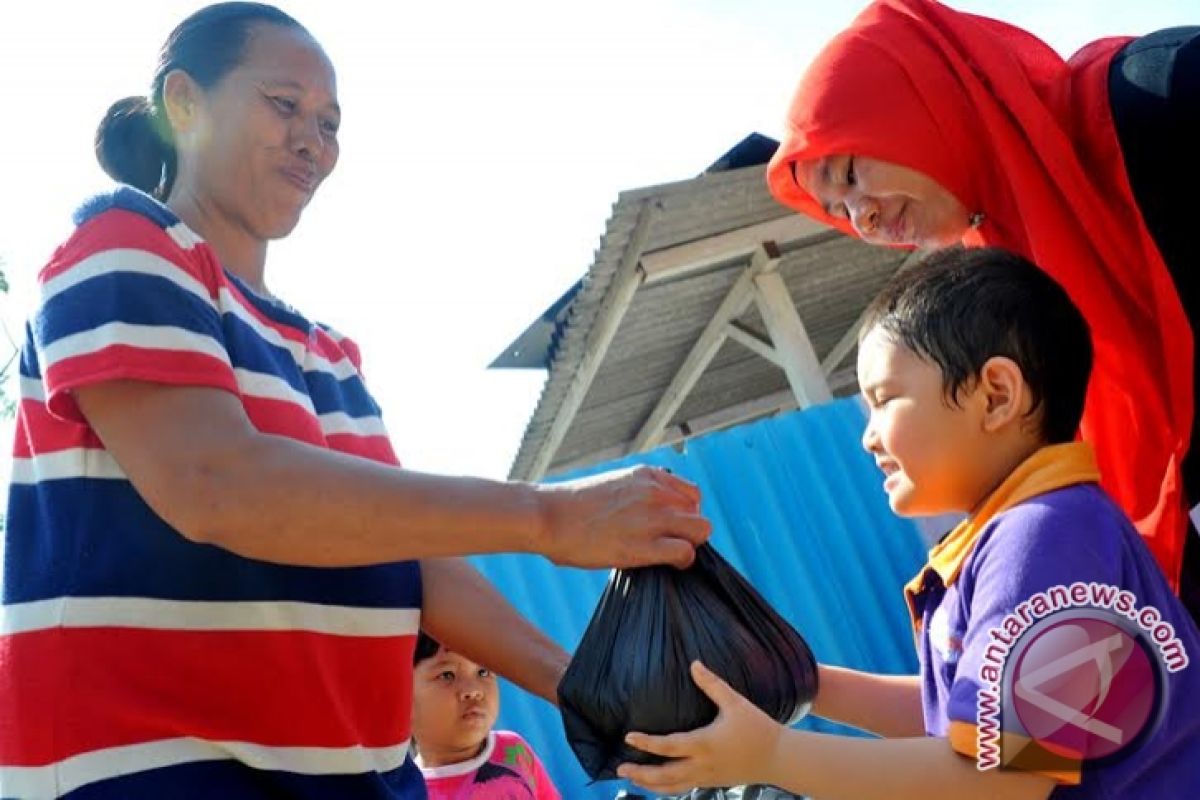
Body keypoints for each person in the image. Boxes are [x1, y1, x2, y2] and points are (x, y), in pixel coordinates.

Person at [0, 4, 711, 798]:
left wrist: (594, 700)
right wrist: (547, 517)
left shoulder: (327, 353)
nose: (313, 139)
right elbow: (216, 484)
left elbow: (408, 558)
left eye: (331, 122)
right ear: (184, 103)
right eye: (284, 104)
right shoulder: (125, 245)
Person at [616, 247, 1200, 799]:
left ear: (996, 395)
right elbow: (952, 723)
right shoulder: (1022, 537)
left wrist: (774, 755)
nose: (868, 437)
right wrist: (801, 681)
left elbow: (1001, 780)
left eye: (886, 399)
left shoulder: (1045, 536)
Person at [764, 0, 1200, 621]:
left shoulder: (1158, 95)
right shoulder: (1009, 280)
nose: (863, 218)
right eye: (840, 212)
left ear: (915, 101)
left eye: (851, 173)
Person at [411, 632, 560, 799]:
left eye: (482, 672)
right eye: (447, 675)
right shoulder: (409, 792)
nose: (473, 690)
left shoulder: (513, 750)